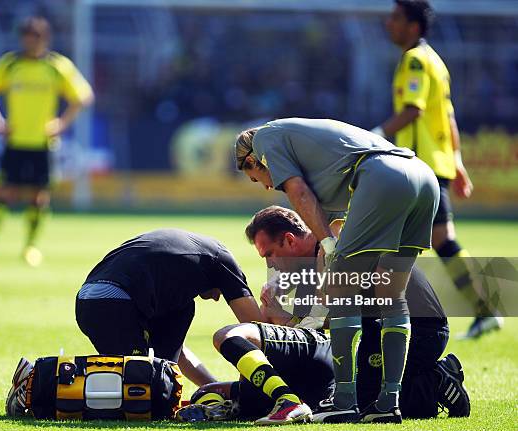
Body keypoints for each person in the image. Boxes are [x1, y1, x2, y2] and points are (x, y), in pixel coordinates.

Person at [177, 206, 469, 424]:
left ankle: (436, 379)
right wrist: (275, 312)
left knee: (363, 403)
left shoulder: (330, 251)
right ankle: (424, 380)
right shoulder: (314, 256)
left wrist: (279, 314)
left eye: (269, 254)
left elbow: (325, 321)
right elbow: (310, 328)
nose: (271, 264)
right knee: (348, 394)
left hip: (421, 330)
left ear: (290, 241)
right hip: (384, 327)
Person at [235, 118, 439, 423]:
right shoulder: (324, 173)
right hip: (423, 177)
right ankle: (389, 403)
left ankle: (343, 401)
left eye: (256, 177)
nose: (267, 185)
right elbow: (326, 259)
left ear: (252, 160)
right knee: (391, 295)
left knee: (344, 290)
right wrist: (303, 316)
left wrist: (331, 253)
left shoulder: (265, 139)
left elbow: (298, 193)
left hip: (383, 175)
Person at [371, 0, 502, 338]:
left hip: (420, 166)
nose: (389, 24)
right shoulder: (434, 61)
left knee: (406, 239)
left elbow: (414, 110)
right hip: (434, 163)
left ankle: (399, 316)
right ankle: (483, 308)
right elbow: (448, 115)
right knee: (436, 239)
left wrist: (377, 135)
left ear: (414, 27)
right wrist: (456, 161)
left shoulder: (415, 60)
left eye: (396, 18)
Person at [75, 228, 263, 386]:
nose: (216, 298)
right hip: (115, 303)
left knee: (159, 375)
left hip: (87, 300)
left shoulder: (178, 289)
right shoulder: (221, 260)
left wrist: (212, 388)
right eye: (220, 292)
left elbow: (174, 352)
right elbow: (258, 330)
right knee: (142, 389)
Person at [0, 16, 93, 266]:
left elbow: (83, 97)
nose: (30, 43)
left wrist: (61, 123)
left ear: (44, 39)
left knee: (39, 196)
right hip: (15, 141)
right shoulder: (10, 65)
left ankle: (30, 246)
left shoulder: (56, 66)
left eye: (35, 38)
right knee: (4, 192)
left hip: (42, 143)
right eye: (26, 38)